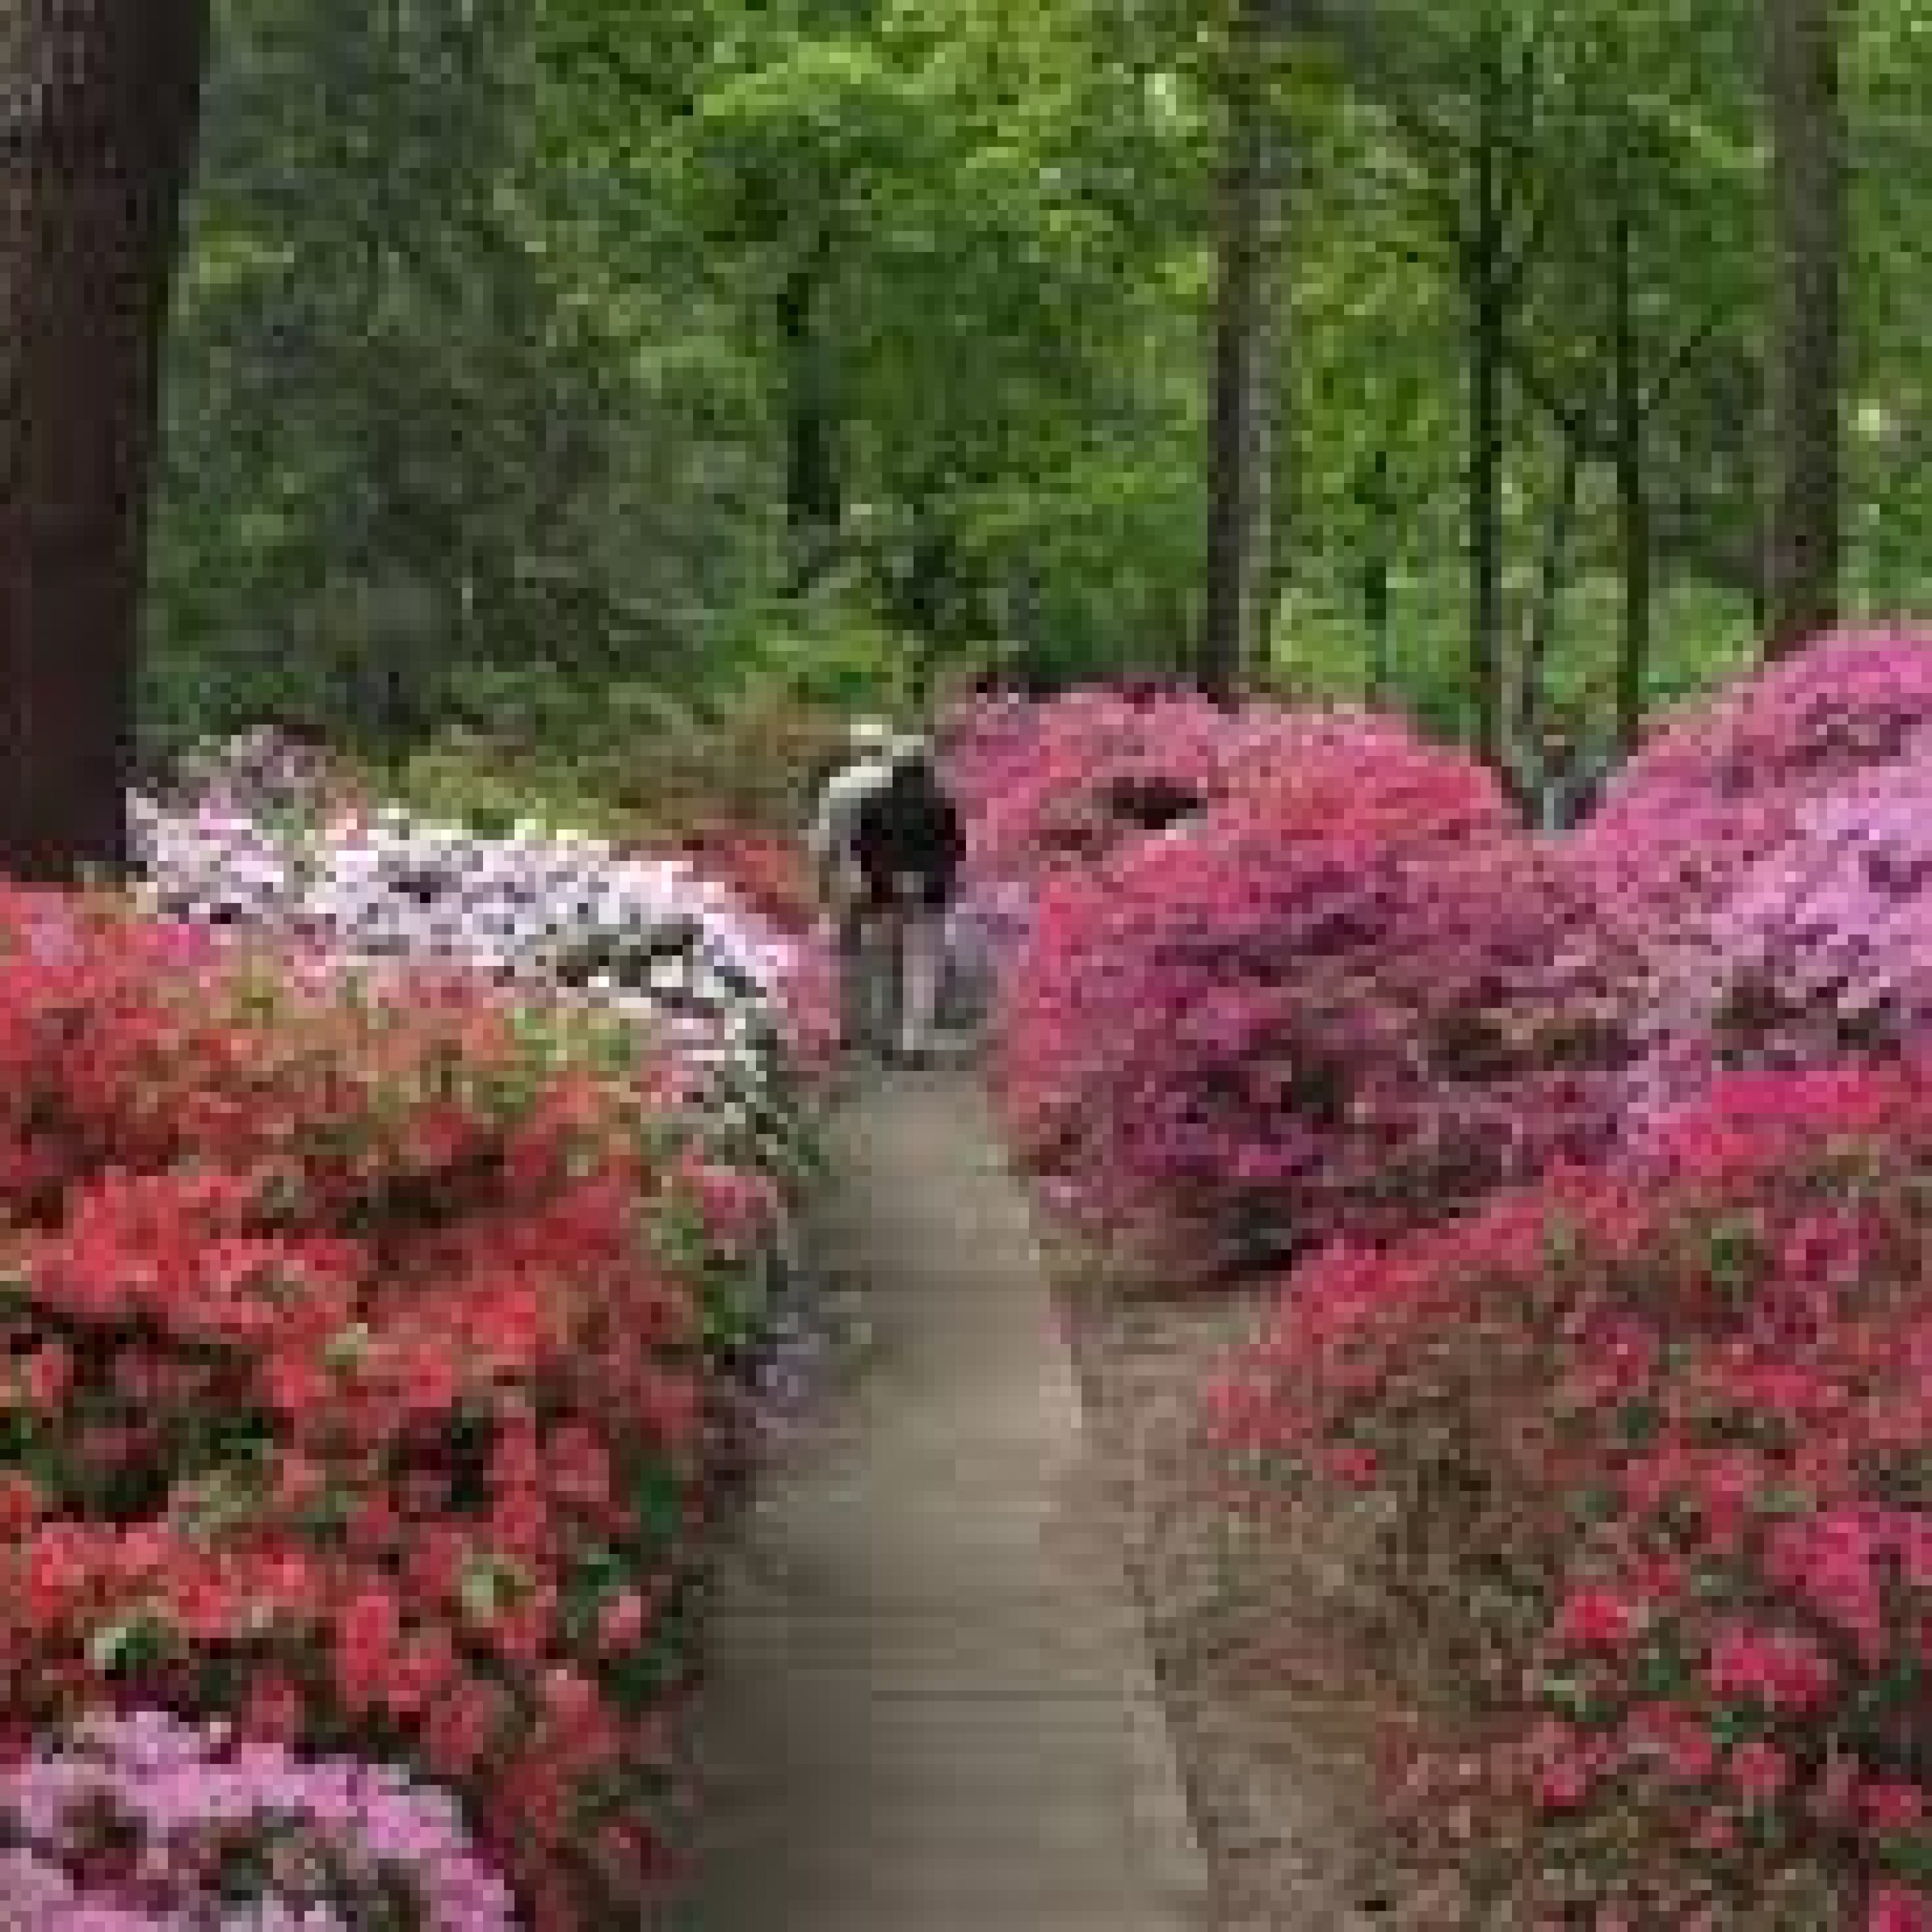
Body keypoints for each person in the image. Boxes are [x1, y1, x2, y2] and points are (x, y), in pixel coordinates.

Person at [851, 737, 967, 1067]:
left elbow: (861, 848)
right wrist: (931, 875)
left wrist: (881, 877)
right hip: (929, 894)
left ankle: (885, 1037)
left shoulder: (875, 803)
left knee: (885, 963)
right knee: (922, 966)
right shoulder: (941, 803)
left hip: (884, 894)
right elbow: (956, 849)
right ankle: (912, 1043)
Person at [806, 717, 900, 1052]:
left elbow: (823, 840)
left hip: (849, 874)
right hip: (890, 876)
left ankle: (849, 1025)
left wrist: (821, 882)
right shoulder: (897, 784)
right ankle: (884, 1028)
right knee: (886, 951)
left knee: (848, 952)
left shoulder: (839, 785)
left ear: (855, 749)